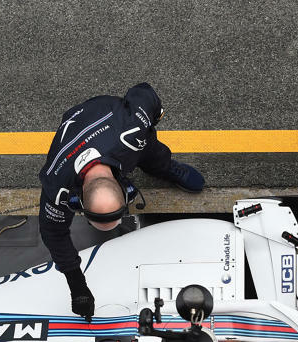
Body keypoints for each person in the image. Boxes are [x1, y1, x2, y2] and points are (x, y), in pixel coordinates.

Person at [38, 83, 205, 321]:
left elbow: (144, 91)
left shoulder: (132, 128)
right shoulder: (57, 185)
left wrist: (153, 118)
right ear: (75, 201)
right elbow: (53, 234)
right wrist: (77, 284)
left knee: (151, 151)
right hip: (78, 122)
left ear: (127, 189)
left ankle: (167, 168)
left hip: (109, 115)